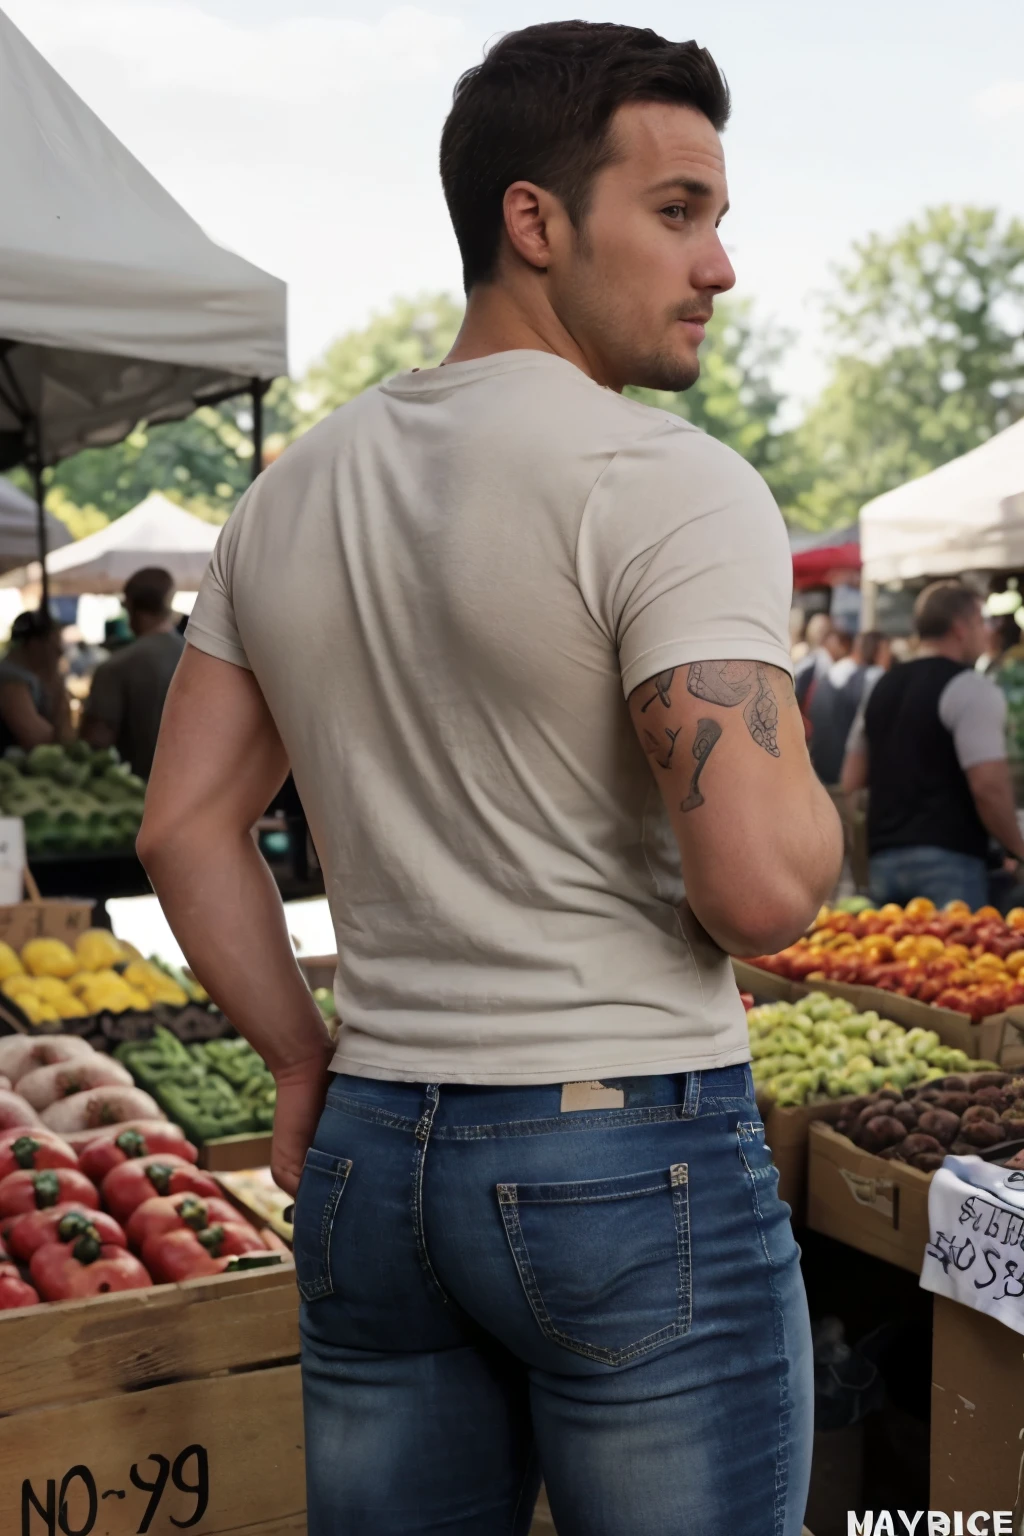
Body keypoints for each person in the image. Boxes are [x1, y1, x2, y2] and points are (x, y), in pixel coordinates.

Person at [138, 24, 842, 1536]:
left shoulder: (290, 495)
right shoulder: (664, 481)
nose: (719, 264)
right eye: (678, 212)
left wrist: (300, 1057)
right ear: (533, 220)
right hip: (624, 1151)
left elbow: (185, 826)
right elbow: (767, 892)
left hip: (374, 1158)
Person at [842, 580, 1024, 908]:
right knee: (953, 958)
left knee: (890, 958)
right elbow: (988, 786)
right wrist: (1018, 849)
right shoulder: (971, 689)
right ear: (960, 628)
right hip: (951, 862)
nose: (987, 632)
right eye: (982, 621)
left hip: (882, 860)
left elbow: (851, 781)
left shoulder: (880, 687)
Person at [81, 568, 185, 779]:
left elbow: (96, 743)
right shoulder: (200, 660)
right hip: (198, 791)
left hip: (133, 793)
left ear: (130, 605)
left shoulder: (116, 666)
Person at [0, 610, 71, 753]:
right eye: (55, 642)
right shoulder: (10, 679)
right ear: (35, 644)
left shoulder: (28, 676)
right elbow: (38, 739)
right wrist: (58, 691)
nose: (60, 650)